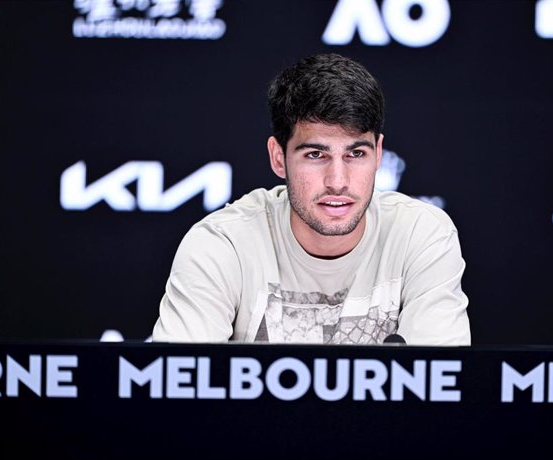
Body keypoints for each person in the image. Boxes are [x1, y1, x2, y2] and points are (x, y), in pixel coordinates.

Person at [152, 53, 470, 345]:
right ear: (279, 157)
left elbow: (437, 394)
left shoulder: (421, 235)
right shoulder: (223, 245)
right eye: (316, 154)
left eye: (356, 153)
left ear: (378, 155)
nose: (338, 181)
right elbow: (180, 395)